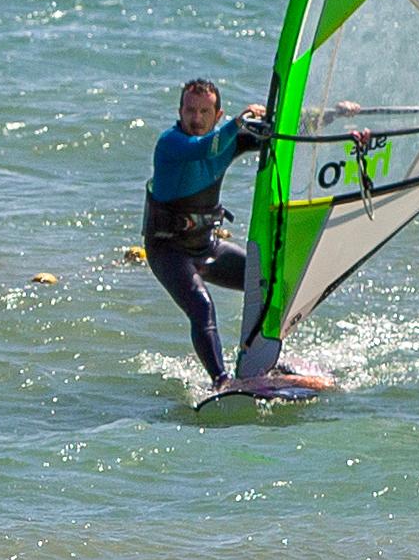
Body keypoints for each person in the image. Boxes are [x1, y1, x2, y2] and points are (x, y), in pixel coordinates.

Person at [142, 78, 334, 400]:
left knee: (270, 283)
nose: (196, 118)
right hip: (168, 250)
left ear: (216, 115)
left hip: (206, 247)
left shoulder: (225, 138)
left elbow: (282, 133)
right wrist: (237, 122)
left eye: (205, 111)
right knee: (201, 308)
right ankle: (221, 382)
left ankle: (262, 358)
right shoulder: (172, 143)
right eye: (190, 110)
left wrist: (331, 116)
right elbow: (205, 149)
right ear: (180, 111)